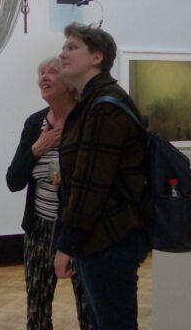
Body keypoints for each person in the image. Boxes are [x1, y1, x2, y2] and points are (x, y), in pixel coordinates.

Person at [54, 23, 151, 330]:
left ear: (96, 57)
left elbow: (89, 186)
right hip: (104, 238)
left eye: (72, 47)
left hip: (110, 239)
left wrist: (66, 244)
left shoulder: (104, 108)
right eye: (64, 47)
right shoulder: (96, 102)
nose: (63, 53)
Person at [7, 57, 93, 330]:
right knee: (37, 311)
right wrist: (38, 148)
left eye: (52, 72)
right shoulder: (35, 124)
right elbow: (13, 180)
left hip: (78, 231)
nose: (44, 77)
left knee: (89, 311)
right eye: (41, 73)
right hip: (39, 230)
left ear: (69, 82)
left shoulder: (86, 122)